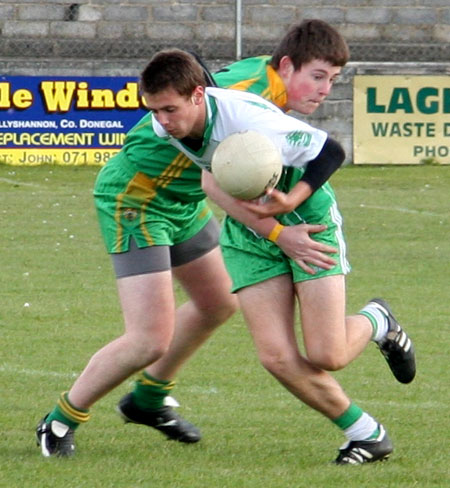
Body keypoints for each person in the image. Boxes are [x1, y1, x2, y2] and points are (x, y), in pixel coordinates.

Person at [35, 20, 372, 459]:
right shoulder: (248, 98)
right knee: (148, 338)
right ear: (286, 67)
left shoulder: (257, 84)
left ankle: (148, 399)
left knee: (218, 302)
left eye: (331, 79)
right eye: (318, 76)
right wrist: (276, 232)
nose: (324, 90)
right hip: (137, 198)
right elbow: (208, 164)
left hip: (183, 200)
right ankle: (59, 420)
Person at [139, 48, 416, 465]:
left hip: (309, 220)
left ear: (197, 95)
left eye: (168, 110)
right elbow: (212, 183)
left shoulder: (249, 121)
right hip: (251, 231)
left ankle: (378, 320)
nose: (161, 121)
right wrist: (273, 231)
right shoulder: (169, 128)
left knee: (328, 355)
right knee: (275, 356)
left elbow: (331, 152)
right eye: (154, 110)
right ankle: (366, 435)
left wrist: (290, 202)